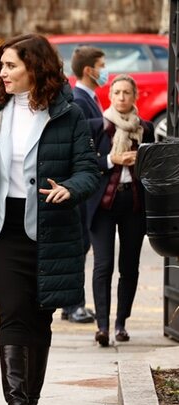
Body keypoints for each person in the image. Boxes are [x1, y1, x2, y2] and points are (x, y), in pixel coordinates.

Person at [0, 33, 98, 405]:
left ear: (34, 68)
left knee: (40, 318)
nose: (1, 73)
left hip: (51, 230)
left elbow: (89, 170)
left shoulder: (67, 114)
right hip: (2, 232)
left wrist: (70, 188)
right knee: (13, 316)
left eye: (10, 66)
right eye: (1, 65)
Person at [87, 74, 154, 347]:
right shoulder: (96, 127)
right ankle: (102, 326)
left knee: (129, 267)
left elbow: (156, 170)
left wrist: (141, 162)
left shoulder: (145, 129)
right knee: (103, 265)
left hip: (134, 205)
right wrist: (111, 159)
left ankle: (120, 324)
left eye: (127, 92)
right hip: (103, 206)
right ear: (110, 96)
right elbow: (83, 163)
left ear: (134, 97)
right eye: (117, 92)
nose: (122, 97)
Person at [60, 45, 108, 324]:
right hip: (80, 182)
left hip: (88, 180)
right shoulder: (79, 99)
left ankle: (72, 304)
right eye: (102, 65)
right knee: (78, 245)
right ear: (89, 70)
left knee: (82, 244)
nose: (105, 70)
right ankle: (73, 304)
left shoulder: (90, 97)